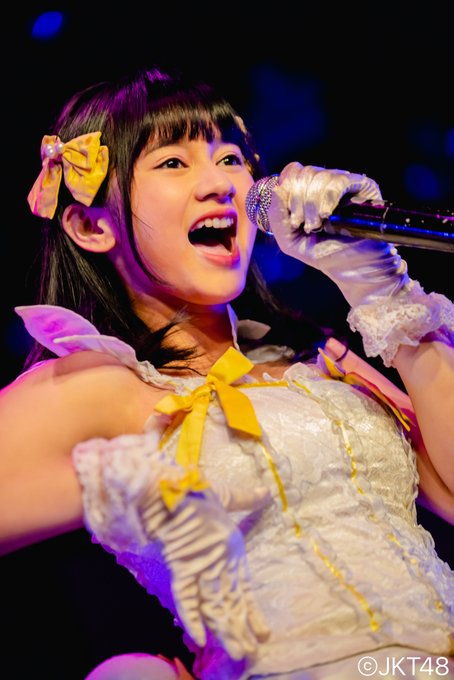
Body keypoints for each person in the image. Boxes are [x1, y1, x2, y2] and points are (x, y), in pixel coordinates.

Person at [0, 65, 453, 680]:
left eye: (232, 159)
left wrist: (380, 286)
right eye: (173, 163)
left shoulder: (316, 359)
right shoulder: (99, 386)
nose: (219, 183)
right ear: (92, 225)